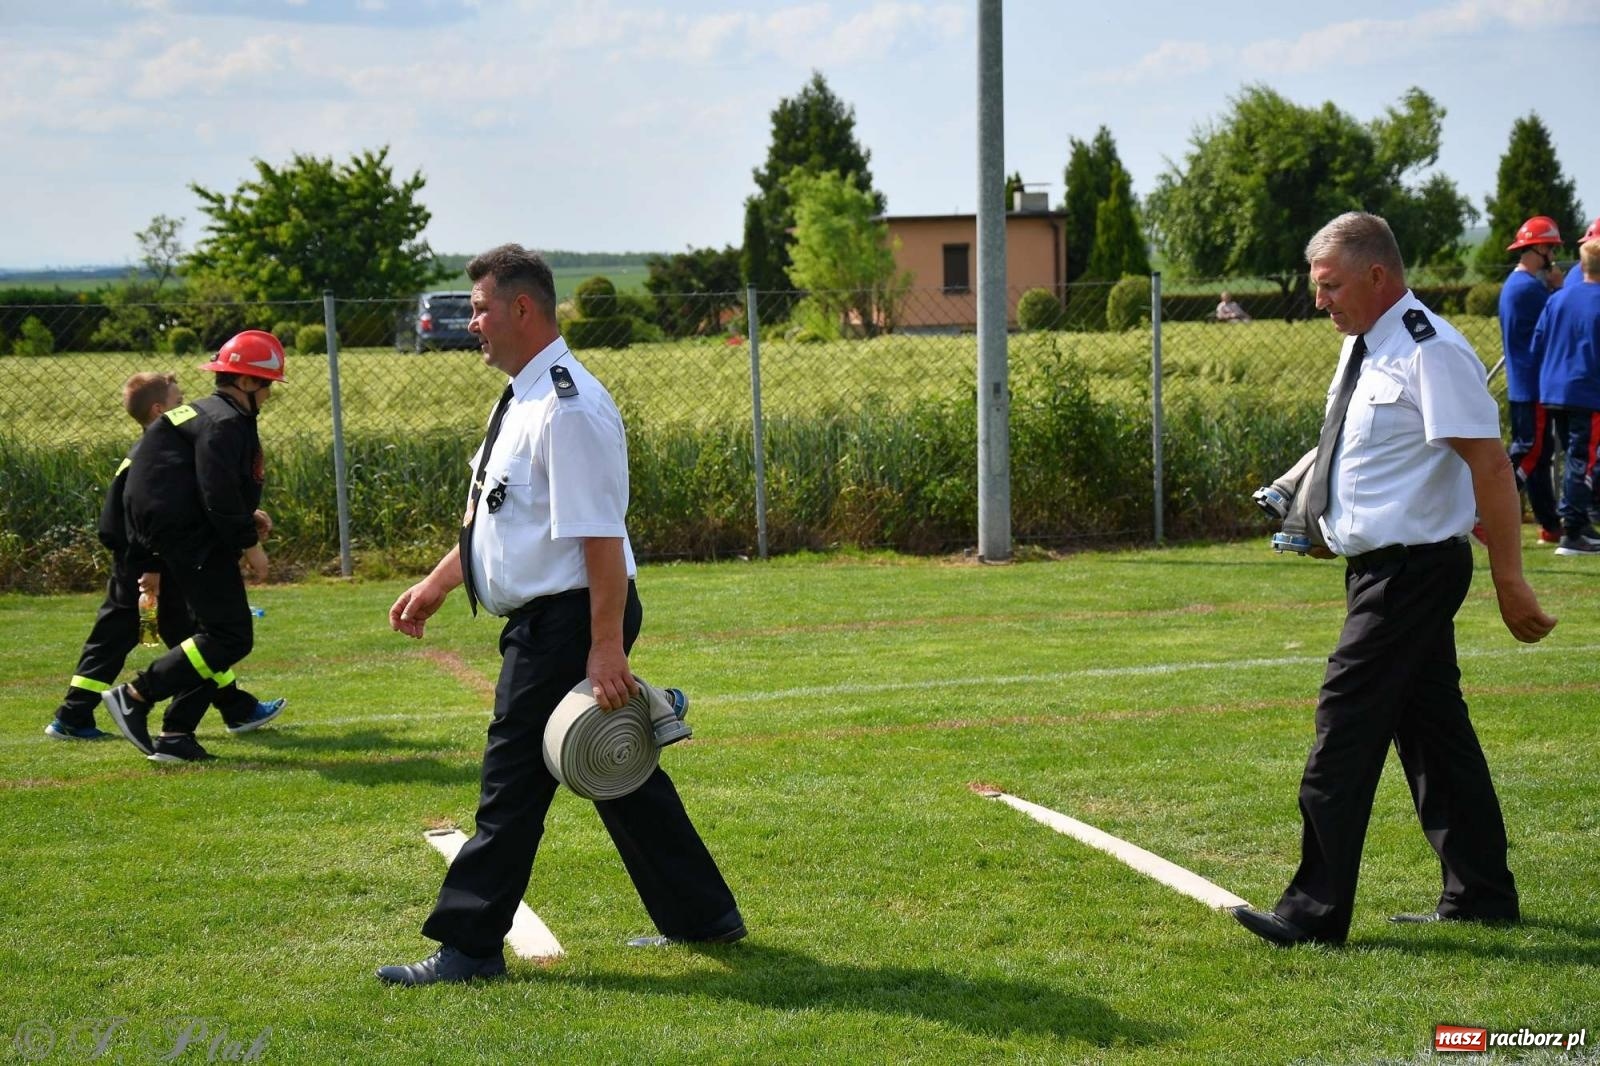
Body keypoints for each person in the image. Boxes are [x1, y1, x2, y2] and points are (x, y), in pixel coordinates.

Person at [376, 244, 743, 986]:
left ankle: (469, 948)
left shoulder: (567, 407)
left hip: (571, 620)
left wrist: (605, 647)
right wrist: (440, 583)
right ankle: (704, 917)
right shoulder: (522, 397)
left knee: (510, 784)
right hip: (553, 616)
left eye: (478, 308)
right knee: (619, 774)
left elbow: (599, 537)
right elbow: (501, 521)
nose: (470, 322)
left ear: (521, 309)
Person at [1231, 212, 1557, 948]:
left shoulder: (1429, 351)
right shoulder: (1363, 349)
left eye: (1331, 286)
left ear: (1378, 276)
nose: (1320, 301)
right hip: (1377, 568)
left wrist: (1512, 580)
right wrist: (1326, 525)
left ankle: (1312, 914)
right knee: (1435, 736)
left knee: (1342, 730)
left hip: (1413, 573)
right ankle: (1480, 894)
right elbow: (1364, 456)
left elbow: (1490, 468)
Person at [45, 371, 284, 741]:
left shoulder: (176, 450)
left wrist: (245, 516)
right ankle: (82, 712)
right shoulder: (148, 454)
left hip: (158, 559)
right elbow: (126, 517)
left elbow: (196, 497)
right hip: (142, 563)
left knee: (197, 637)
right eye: (178, 400)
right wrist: (148, 567)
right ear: (159, 410)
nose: (188, 407)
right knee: (134, 638)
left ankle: (229, 709)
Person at [101, 332, 285, 763]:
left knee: (209, 639)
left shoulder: (203, 413)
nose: (271, 394)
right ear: (246, 383)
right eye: (268, 384)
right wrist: (249, 544)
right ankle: (136, 694)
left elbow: (195, 479)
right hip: (188, 534)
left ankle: (177, 735)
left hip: (170, 529)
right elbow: (216, 491)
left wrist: (246, 515)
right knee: (230, 635)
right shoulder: (225, 422)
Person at [1497, 215, 1566, 546]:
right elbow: (1560, 320)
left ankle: (1550, 526)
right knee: (1529, 454)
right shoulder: (1530, 290)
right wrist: (1558, 291)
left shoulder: (1517, 285)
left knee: (1538, 458)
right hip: (1534, 385)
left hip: (1525, 384)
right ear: (1538, 248)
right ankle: (1483, 513)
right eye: (1551, 248)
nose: (1553, 255)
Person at [1532, 236, 1600, 556]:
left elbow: (1538, 342)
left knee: (1571, 458)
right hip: (1587, 391)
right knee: (1582, 459)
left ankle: (1577, 522)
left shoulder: (1558, 298)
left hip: (1553, 389)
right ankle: (1573, 531)